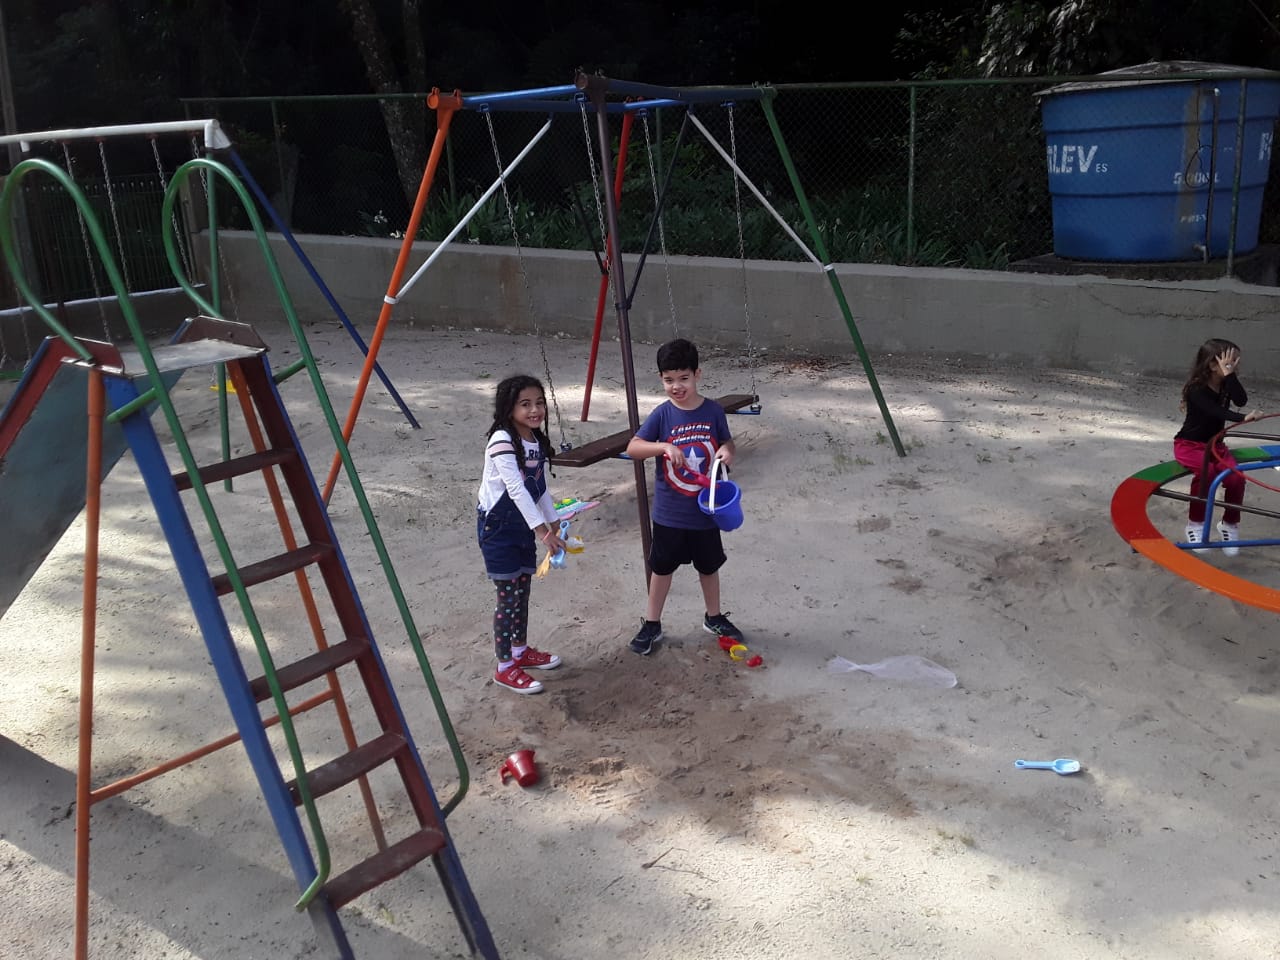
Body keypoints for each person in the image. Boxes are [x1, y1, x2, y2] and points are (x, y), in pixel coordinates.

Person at [624, 338, 745, 655]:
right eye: (668, 380)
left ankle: (713, 617)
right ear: (661, 379)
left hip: (706, 511)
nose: (676, 386)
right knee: (662, 569)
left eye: (683, 378)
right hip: (670, 514)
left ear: (697, 374)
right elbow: (633, 448)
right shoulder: (662, 415)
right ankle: (652, 623)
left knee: (709, 566)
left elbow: (728, 443)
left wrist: (727, 451)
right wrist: (663, 446)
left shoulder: (713, 411)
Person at [476, 374, 566, 693]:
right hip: (499, 527)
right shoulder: (502, 440)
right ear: (509, 408)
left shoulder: (536, 441)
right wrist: (543, 532)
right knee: (507, 597)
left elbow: (538, 487)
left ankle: (520, 650)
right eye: (525, 404)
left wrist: (554, 522)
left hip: (524, 525)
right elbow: (515, 488)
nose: (535, 410)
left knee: (523, 591)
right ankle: (504, 667)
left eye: (539, 403)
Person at [1173, 338, 1263, 556]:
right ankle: (1195, 524)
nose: (1236, 366)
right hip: (1189, 445)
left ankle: (1229, 525)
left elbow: (1241, 400)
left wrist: (1230, 375)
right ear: (1213, 365)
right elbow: (1215, 411)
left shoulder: (1225, 384)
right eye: (1230, 362)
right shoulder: (1196, 389)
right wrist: (1243, 418)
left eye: (1236, 362)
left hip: (1216, 446)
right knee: (1208, 473)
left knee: (1236, 478)